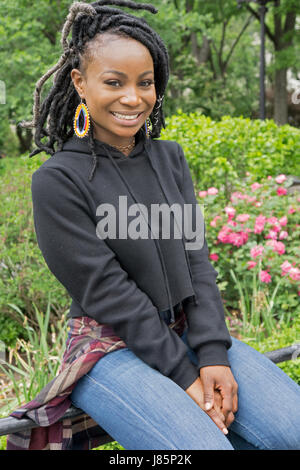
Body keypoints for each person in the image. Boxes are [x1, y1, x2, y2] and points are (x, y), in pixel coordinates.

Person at [7, 0, 300, 451]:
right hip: (111, 347)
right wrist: (185, 375)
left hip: (187, 330)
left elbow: (196, 261)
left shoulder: (170, 159)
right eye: (114, 82)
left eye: (146, 83)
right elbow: (109, 293)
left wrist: (213, 353)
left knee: (290, 431)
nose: (133, 98)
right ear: (79, 82)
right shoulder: (58, 181)